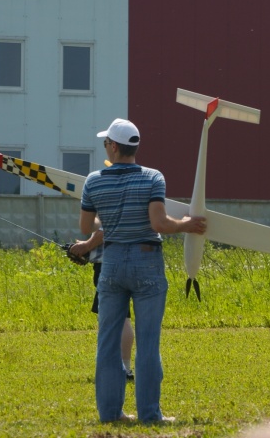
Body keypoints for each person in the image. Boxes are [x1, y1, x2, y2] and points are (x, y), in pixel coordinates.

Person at [79, 118, 206, 423]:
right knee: (148, 342)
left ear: (112, 146)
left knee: (107, 342)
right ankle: (150, 415)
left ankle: (110, 413)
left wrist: (109, 222)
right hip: (147, 262)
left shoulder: (94, 181)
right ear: (134, 147)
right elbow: (159, 224)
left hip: (111, 264)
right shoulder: (152, 178)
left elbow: (87, 227)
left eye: (105, 142)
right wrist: (188, 224)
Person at [69, 230, 135, 381]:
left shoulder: (109, 206)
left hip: (109, 267)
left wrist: (85, 246)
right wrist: (89, 249)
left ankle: (120, 369)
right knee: (123, 317)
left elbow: (105, 230)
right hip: (127, 263)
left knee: (116, 320)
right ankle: (125, 368)